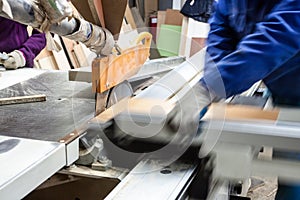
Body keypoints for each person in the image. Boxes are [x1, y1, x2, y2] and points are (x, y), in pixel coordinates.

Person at [170, 0, 300, 199]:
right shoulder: (229, 4)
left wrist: (209, 88)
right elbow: (220, 39)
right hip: (285, 92)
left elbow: (272, 41)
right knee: (290, 171)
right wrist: (213, 90)